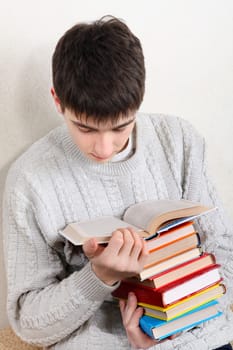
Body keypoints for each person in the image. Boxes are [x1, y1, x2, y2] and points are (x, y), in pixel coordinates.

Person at [2, 15, 233, 350]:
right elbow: (28, 322)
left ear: (138, 103)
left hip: (195, 333)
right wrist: (100, 276)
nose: (104, 148)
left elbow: (223, 250)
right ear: (57, 100)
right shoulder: (30, 180)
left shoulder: (179, 141)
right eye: (85, 128)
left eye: (121, 127)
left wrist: (169, 328)